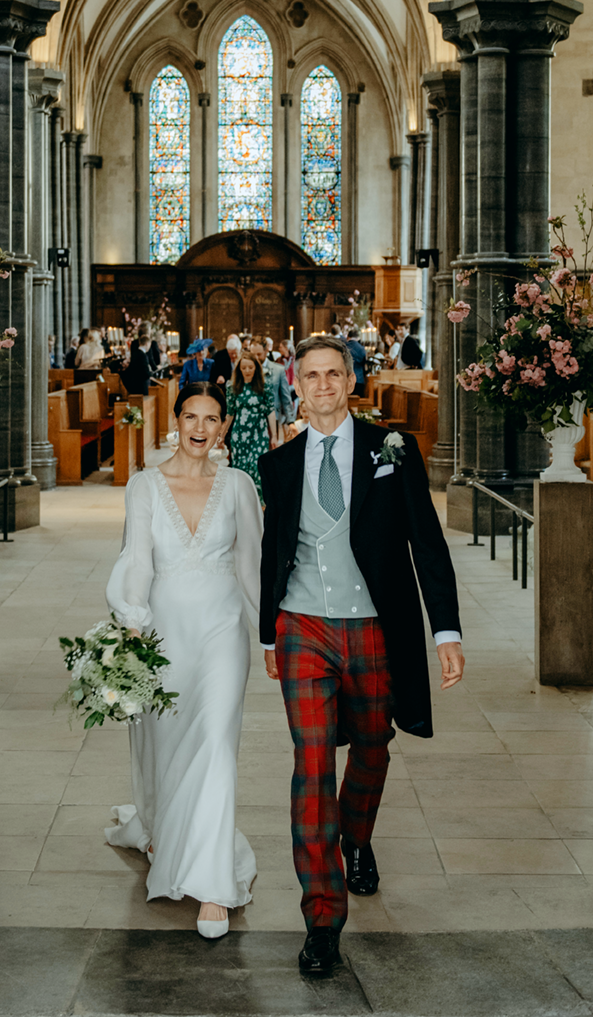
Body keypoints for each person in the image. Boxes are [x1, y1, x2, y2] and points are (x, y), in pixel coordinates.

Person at [258, 336, 464, 975]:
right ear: (296, 386)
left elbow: (426, 542)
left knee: (374, 745)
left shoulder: (392, 449)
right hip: (303, 627)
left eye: (333, 373)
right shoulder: (279, 464)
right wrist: (268, 634)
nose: (322, 384)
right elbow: (272, 551)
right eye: (311, 375)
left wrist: (446, 632)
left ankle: (357, 837)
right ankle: (322, 919)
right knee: (313, 764)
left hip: (374, 625)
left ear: (351, 381)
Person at [105, 382, 263, 940]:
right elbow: (136, 558)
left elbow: (252, 565)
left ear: (224, 426)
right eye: (191, 416)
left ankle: (213, 886)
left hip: (223, 630)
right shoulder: (145, 485)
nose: (200, 428)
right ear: (175, 421)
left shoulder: (239, 485)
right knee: (167, 744)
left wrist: (269, 636)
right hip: (164, 633)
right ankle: (162, 830)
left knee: (216, 743)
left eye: (211, 418)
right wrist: (131, 622)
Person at [225, 354, 277, 503]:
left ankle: (259, 504)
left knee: (257, 466)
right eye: (244, 368)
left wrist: (274, 435)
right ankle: (242, 503)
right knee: (241, 469)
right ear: (239, 369)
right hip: (239, 434)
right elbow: (230, 413)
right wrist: (222, 434)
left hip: (258, 432)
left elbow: (270, 411)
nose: (247, 371)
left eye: (250, 367)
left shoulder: (264, 386)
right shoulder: (233, 387)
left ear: (256, 368)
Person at [249, 335, 296, 440]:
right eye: (253, 354)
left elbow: (286, 398)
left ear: (266, 351)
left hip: (272, 421)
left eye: (259, 354)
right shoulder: (246, 370)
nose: (256, 358)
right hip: (250, 420)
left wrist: (291, 422)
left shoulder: (278, 370)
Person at [345, 327, 367, 397]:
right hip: (359, 379)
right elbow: (364, 364)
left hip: (346, 378)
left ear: (348, 337)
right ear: (357, 338)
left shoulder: (344, 347)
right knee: (358, 401)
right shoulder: (361, 348)